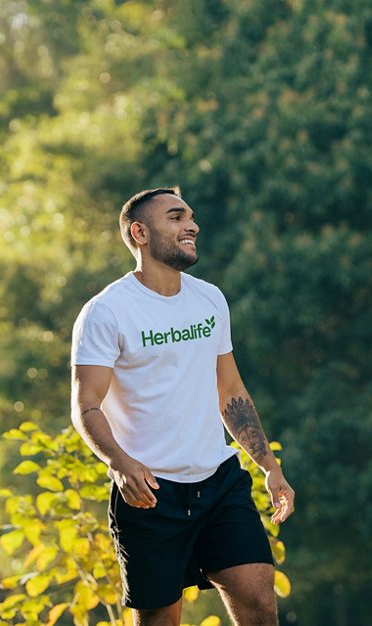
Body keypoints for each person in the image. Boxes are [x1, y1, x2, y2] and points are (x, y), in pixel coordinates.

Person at [70, 186, 295, 626]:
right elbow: (87, 405)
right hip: (150, 494)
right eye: (175, 218)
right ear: (139, 232)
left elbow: (231, 391)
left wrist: (269, 466)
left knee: (259, 601)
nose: (191, 225)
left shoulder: (209, 298)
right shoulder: (106, 312)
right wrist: (119, 462)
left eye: (190, 217)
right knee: (159, 621)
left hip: (219, 481)